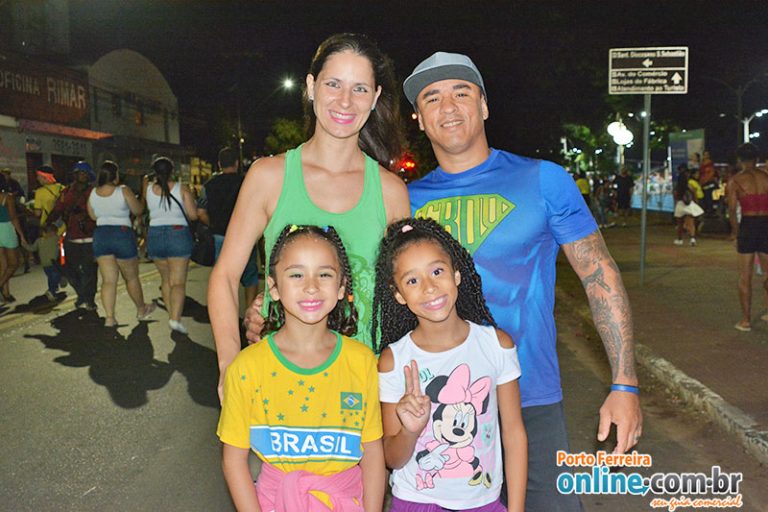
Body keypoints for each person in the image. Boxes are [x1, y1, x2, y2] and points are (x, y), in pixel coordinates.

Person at [402, 51, 641, 511]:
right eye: (432, 98)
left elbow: (599, 275)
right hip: (435, 407)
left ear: (484, 106)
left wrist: (625, 383)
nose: (448, 107)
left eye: (461, 93)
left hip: (531, 397)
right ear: (420, 119)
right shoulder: (402, 199)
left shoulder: (542, 180)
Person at [212, 33, 410, 400]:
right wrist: (229, 365)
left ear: (375, 98)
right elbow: (225, 276)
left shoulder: (391, 191)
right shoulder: (269, 177)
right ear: (310, 86)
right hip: (277, 382)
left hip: (360, 387)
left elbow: (399, 293)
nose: (345, 101)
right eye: (333, 84)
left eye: (360, 89)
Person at [217, 224, 384, 512]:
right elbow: (233, 460)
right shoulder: (247, 367)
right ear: (273, 287)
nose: (311, 286)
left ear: (342, 287)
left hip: (346, 502)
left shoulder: (362, 361)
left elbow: (372, 453)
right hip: (274, 503)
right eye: (296, 274)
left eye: (324, 274)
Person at [373, 218, 527, 512]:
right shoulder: (394, 360)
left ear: (456, 274)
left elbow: (514, 433)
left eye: (437, 271)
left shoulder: (496, 345)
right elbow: (392, 459)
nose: (429, 287)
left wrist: (517, 508)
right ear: (398, 294)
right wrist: (409, 430)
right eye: (412, 281)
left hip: (484, 502)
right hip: (416, 502)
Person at [87, 161, 156, 327]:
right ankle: (141, 309)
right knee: (131, 277)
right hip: (122, 234)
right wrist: (143, 197)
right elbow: (138, 210)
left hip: (101, 235)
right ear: (115, 175)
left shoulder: (93, 193)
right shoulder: (123, 190)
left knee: (108, 280)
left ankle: (110, 318)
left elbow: (93, 216)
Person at [196, 146, 260, 307]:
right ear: (237, 163)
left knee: (224, 279)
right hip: (244, 236)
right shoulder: (247, 183)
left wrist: (213, 224)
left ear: (219, 164)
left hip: (220, 236)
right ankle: (249, 311)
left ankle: (228, 312)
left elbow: (201, 212)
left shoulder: (209, 185)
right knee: (250, 277)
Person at [144, 156, 197, 334]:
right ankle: (175, 319)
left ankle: (171, 315)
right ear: (172, 171)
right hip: (177, 235)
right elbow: (193, 215)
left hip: (155, 236)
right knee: (178, 282)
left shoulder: (148, 189)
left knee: (166, 279)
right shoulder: (182, 188)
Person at [727, 143, 768, 332]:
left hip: (748, 226)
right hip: (766, 224)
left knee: (745, 276)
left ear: (739, 159)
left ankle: (746, 320)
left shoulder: (735, 181)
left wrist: (735, 232)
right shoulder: (766, 176)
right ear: (756, 158)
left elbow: (732, 210)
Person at [46, 161, 98, 310]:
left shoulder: (94, 192)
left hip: (90, 237)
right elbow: (57, 209)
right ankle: (82, 294)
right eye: (79, 172)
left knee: (90, 271)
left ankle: (89, 299)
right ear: (74, 174)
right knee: (68, 268)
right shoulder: (66, 192)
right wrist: (47, 224)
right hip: (71, 236)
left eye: (85, 173)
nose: (82, 175)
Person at [0, 172, 30, 303]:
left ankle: (6, 293)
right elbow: (13, 218)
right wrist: (21, 235)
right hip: (6, 229)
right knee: (14, 263)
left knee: (3, 264)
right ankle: (1, 285)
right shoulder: (8, 197)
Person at [27, 223, 63, 302]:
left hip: (44, 264)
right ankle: (51, 290)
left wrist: (25, 245)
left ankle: (52, 290)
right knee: (56, 276)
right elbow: (62, 240)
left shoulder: (39, 240)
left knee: (50, 277)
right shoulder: (55, 238)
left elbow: (32, 248)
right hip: (53, 263)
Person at [673, 167, 703, 246]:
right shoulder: (689, 186)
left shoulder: (677, 187)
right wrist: (695, 202)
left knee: (680, 224)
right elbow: (694, 194)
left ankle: (680, 240)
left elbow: (675, 196)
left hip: (680, 204)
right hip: (689, 204)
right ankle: (692, 239)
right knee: (691, 223)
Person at [699, 150, 719, 214]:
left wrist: (706, 180)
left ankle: (710, 209)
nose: (706, 156)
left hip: (709, 183)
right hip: (703, 182)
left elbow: (711, 173)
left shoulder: (711, 164)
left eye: (707, 154)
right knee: (705, 196)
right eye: (705, 154)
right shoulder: (701, 164)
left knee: (709, 196)